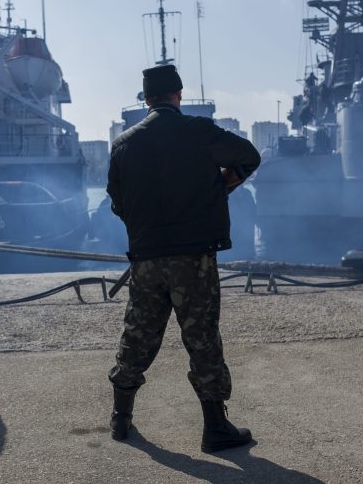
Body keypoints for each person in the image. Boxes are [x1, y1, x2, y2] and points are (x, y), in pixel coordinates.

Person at [106, 64, 261, 453]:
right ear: (178, 95)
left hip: (147, 259)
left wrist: (145, 228)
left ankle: (121, 418)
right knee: (202, 338)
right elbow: (249, 156)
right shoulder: (198, 131)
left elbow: (117, 202)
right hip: (193, 258)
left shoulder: (123, 143)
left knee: (138, 335)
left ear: (146, 100)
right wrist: (221, 186)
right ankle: (215, 428)